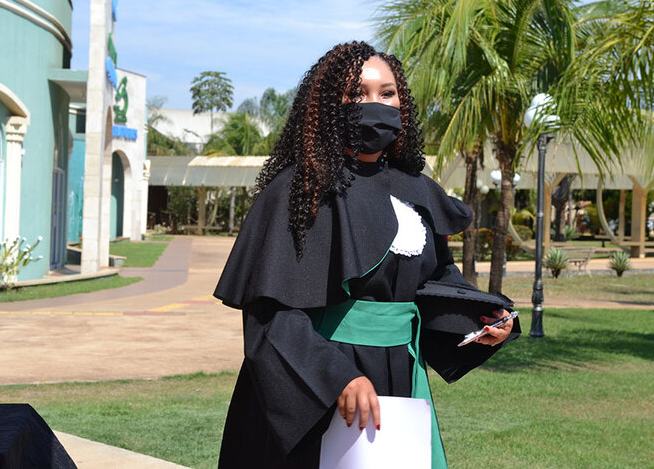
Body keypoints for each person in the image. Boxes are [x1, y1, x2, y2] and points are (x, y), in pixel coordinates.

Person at [214, 41, 519, 468]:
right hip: (322, 381)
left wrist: (481, 319)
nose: (375, 104)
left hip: (398, 376)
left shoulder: (416, 190)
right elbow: (271, 314)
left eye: (387, 93)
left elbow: (433, 283)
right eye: (357, 93)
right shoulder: (299, 191)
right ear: (327, 105)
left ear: (402, 104)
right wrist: (337, 377)